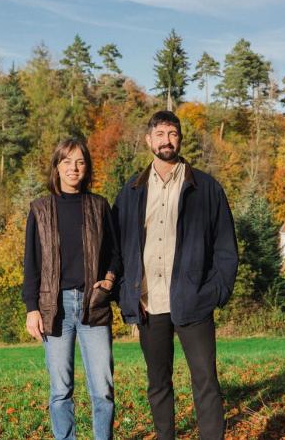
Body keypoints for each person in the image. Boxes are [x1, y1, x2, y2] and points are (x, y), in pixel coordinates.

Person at [113, 111, 238, 440]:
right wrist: (125, 293)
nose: (166, 140)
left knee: (206, 381)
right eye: (160, 133)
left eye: (172, 133)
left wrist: (214, 292)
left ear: (180, 140)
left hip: (193, 303)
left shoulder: (206, 188)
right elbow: (116, 249)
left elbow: (226, 248)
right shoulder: (130, 192)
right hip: (148, 304)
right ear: (148, 140)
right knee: (158, 384)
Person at [22, 137, 119, 440]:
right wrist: (32, 309)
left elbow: (117, 253)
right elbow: (31, 263)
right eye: (67, 161)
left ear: (87, 167)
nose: (73, 168)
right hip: (55, 309)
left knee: (103, 390)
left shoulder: (99, 206)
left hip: (94, 305)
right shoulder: (40, 210)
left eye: (80, 161)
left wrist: (110, 279)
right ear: (57, 167)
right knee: (60, 391)